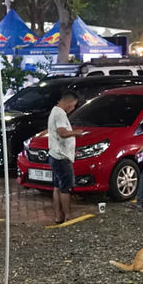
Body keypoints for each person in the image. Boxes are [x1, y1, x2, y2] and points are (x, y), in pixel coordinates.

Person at [47, 91, 85, 224]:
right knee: (66, 188)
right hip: (61, 156)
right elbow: (62, 132)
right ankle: (68, 216)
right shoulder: (60, 114)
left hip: (55, 155)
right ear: (68, 102)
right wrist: (76, 133)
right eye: (73, 105)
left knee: (57, 186)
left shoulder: (55, 112)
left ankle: (59, 216)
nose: (73, 108)